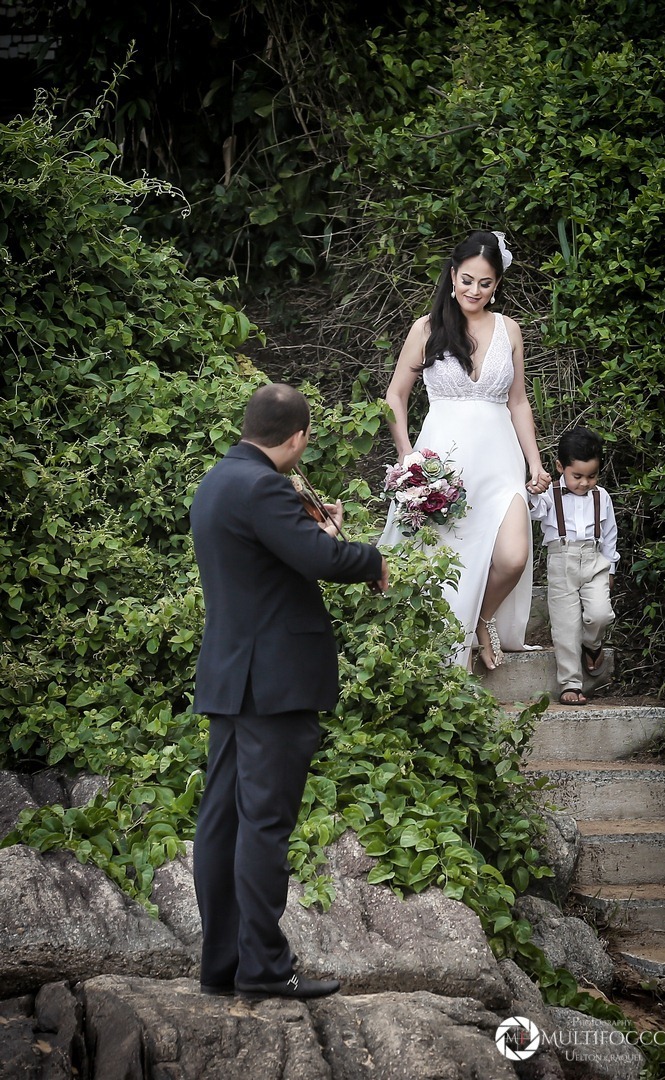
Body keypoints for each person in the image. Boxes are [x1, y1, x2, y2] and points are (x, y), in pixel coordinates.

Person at [190, 382, 388, 999]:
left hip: (231, 677)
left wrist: (319, 533)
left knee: (222, 822)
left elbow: (277, 558)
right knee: (264, 826)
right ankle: (264, 969)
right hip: (271, 683)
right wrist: (369, 557)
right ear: (298, 437)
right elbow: (321, 561)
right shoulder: (265, 486)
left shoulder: (218, 482)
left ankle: (224, 965)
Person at [378, 229, 551, 671]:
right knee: (442, 555)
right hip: (443, 463)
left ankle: (482, 619)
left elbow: (518, 401)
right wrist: (407, 457)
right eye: (467, 279)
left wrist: (535, 462)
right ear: (453, 275)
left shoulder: (509, 330)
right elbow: (395, 396)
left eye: (485, 283)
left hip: (500, 461)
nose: (474, 290)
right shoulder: (427, 328)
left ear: (497, 285)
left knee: (513, 556)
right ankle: (442, 642)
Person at [528, 426, 618, 706]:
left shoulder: (601, 497)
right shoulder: (549, 495)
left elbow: (610, 533)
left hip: (594, 561)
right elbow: (532, 511)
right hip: (561, 562)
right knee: (566, 626)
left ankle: (592, 645)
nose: (584, 483)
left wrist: (611, 567)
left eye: (591, 476)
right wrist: (532, 490)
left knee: (600, 615)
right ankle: (571, 682)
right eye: (577, 475)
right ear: (560, 467)